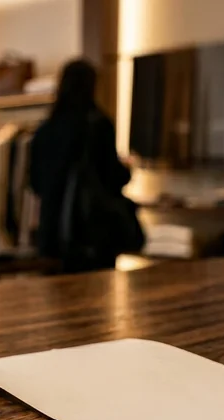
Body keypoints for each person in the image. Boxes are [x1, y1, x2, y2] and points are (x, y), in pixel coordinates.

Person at [30, 59, 143, 272]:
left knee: (55, 290)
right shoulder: (97, 125)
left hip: (52, 233)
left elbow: (36, 182)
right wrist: (127, 168)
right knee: (96, 289)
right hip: (91, 233)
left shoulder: (46, 129)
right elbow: (111, 178)